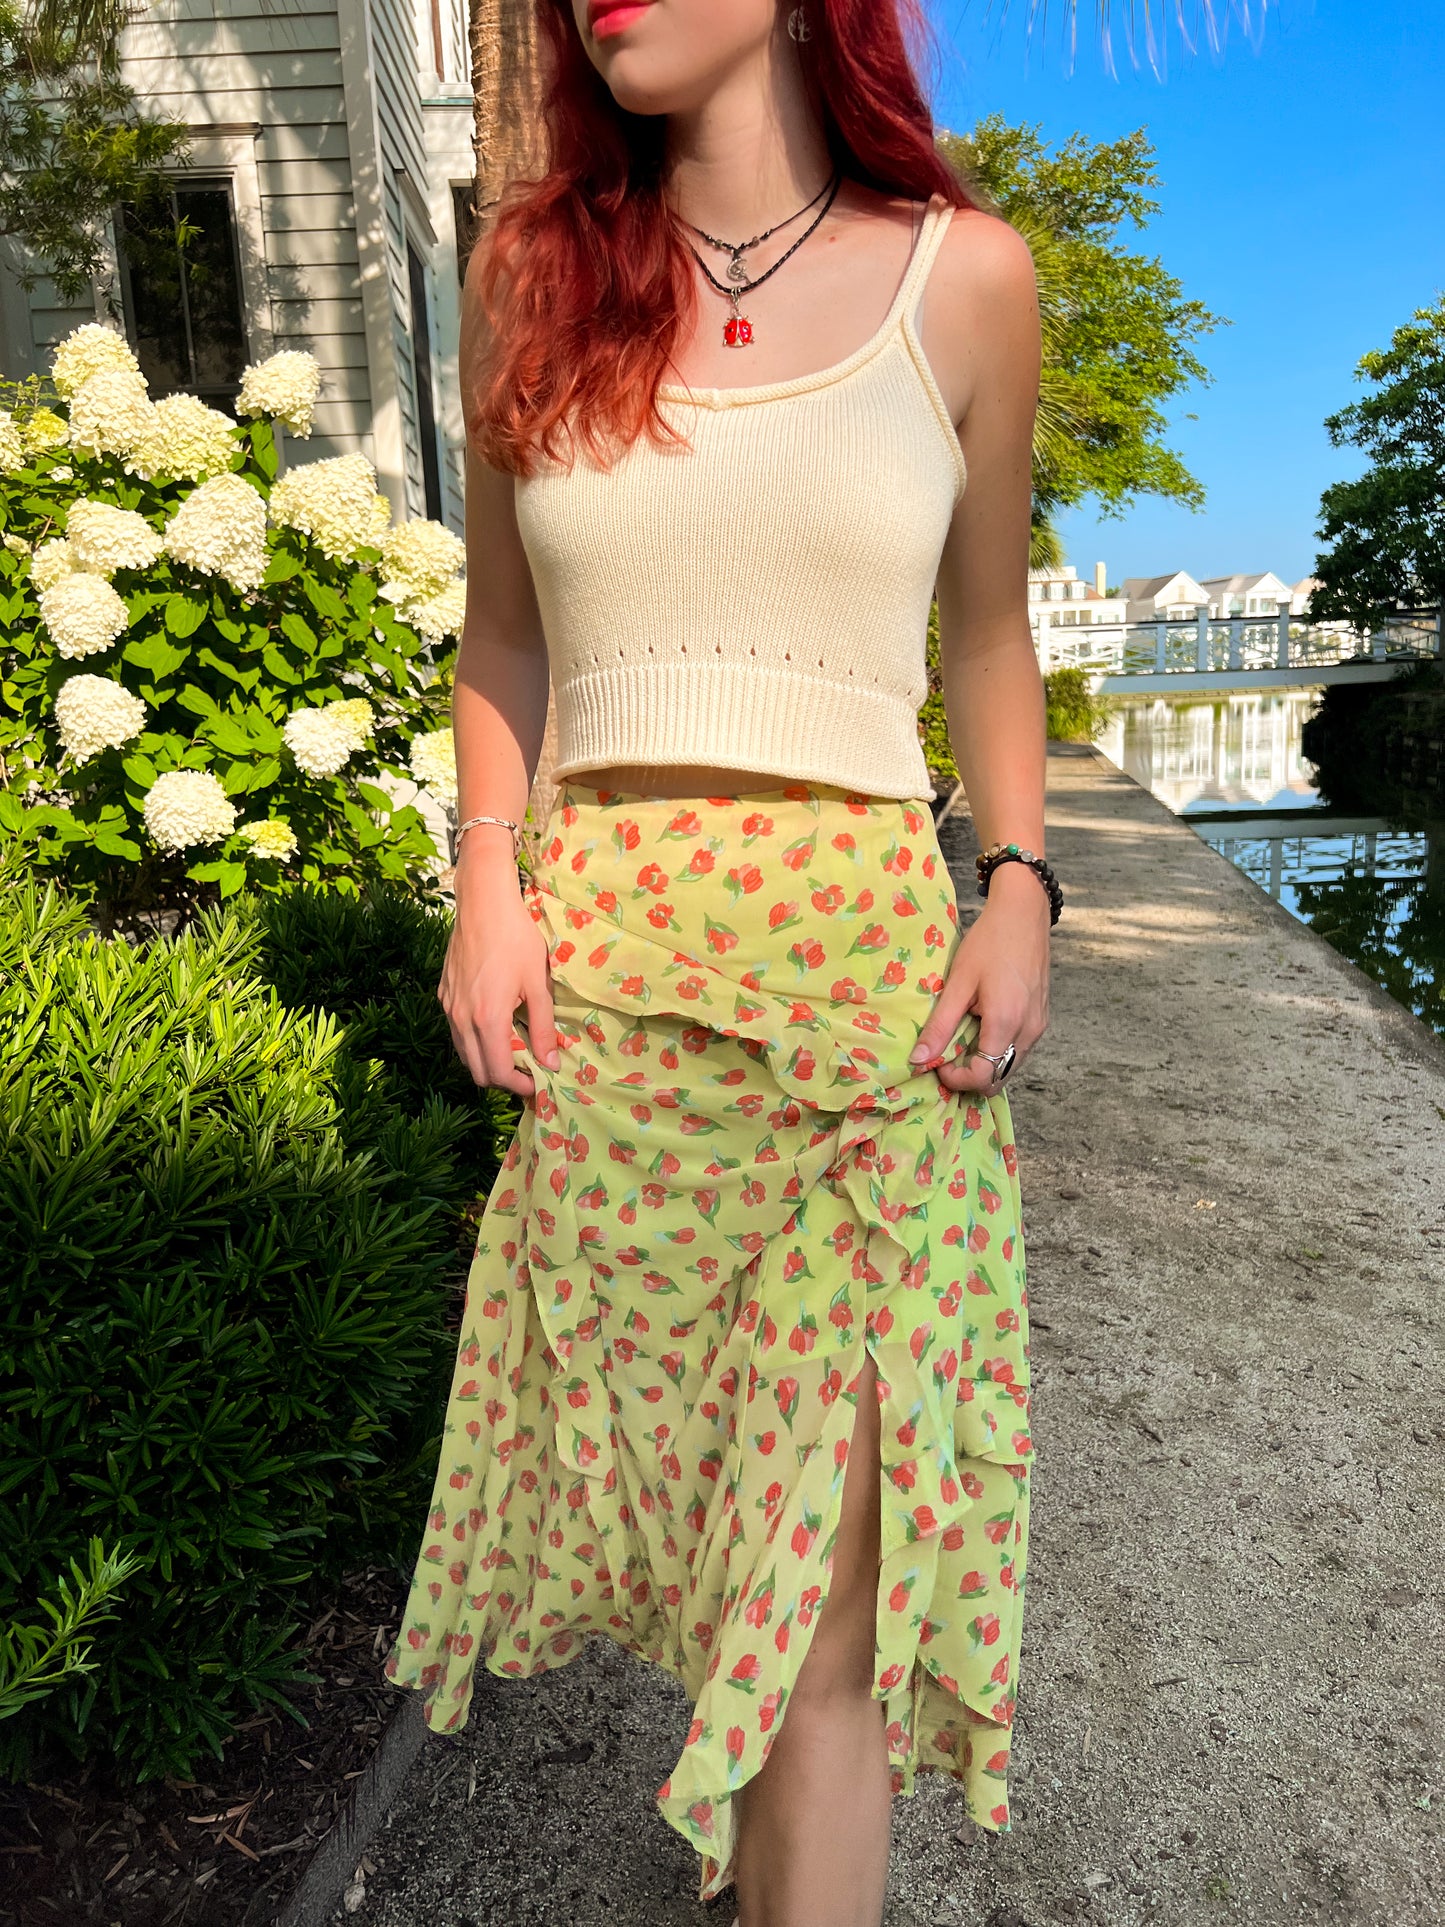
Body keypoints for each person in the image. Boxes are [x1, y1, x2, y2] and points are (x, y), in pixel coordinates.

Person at [384, 3, 1055, 1922]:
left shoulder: (966, 280)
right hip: (609, 1008)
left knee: (826, 1625)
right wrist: (485, 887)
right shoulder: (534, 278)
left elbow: (987, 633)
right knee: (704, 1549)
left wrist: (1017, 880)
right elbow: (501, 642)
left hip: (861, 1018)